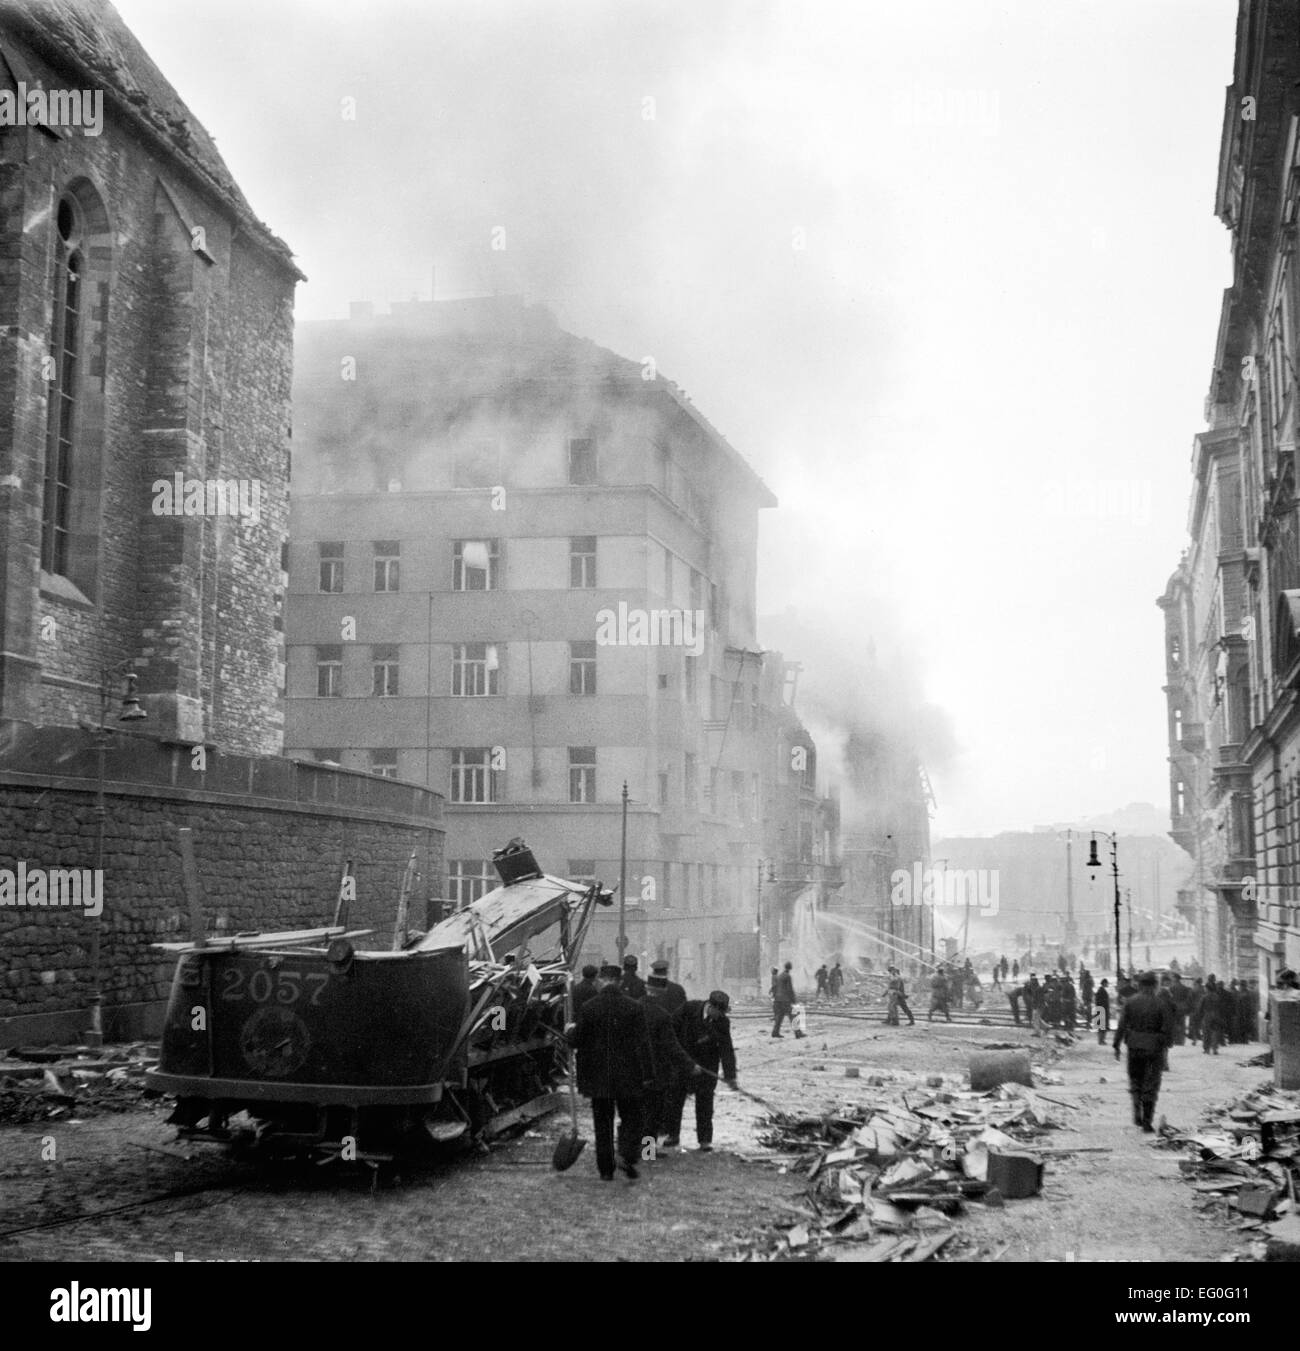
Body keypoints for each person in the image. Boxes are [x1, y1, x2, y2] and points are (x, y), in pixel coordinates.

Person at [570, 964, 655, 1180]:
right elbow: (644, 1045)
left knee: (602, 1124)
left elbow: (577, 1040)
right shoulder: (634, 1007)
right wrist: (648, 1075)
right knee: (631, 1119)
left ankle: (606, 1170)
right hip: (629, 1076)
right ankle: (626, 1154)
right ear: (618, 982)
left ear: (602, 980)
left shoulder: (589, 1007)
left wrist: (569, 1032)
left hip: (597, 1077)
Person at [664, 990, 738, 1152]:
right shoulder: (688, 1009)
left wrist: (730, 1076)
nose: (721, 1015)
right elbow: (670, 1033)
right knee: (675, 1101)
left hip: (707, 1068)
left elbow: (727, 1049)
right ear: (710, 1006)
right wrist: (684, 1062)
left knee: (705, 1104)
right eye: (719, 1012)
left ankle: (704, 1140)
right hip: (683, 1063)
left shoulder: (722, 1022)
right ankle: (672, 1135)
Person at [640, 987, 701, 1151]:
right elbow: (672, 1046)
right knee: (652, 1115)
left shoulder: (630, 1009)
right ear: (660, 993)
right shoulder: (662, 1016)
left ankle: (628, 1151)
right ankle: (647, 1151)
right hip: (655, 1072)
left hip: (631, 1070)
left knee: (631, 1112)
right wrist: (690, 1065)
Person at [1114, 970, 1175, 1131]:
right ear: (1155, 985)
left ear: (1140, 985)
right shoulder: (1161, 1003)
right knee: (1151, 1083)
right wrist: (1166, 1044)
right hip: (1154, 1048)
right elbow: (1167, 1028)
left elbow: (1121, 1025)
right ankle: (1147, 1120)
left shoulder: (1130, 1002)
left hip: (1134, 1046)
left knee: (1135, 1080)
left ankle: (1137, 1111)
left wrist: (1116, 1045)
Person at [1200, 975, 1228, 1055]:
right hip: (1216, 1015)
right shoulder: (1217, 997)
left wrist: (1200, 1016)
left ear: (1207, 988)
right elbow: (1221, 1007)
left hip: (1207, 1016)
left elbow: (1201, 1008)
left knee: (1206, 1033)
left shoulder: (1204, 997)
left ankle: (1206, 1049)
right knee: (1215, 1032)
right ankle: (1215, 1048)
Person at [772, 961, 799, 1037]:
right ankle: (798, 1033)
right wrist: (793, 1000)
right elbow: (789, 989)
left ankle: (775, 1032)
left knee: (779, 1017)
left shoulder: (780, 975)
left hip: (778, 999)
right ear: (790, 968)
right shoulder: (787, 976)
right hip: (785, 1000)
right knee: (793, 1016)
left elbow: (777, 987)